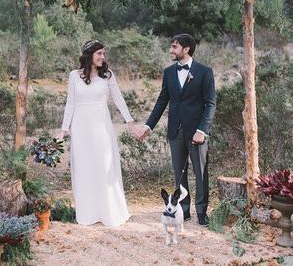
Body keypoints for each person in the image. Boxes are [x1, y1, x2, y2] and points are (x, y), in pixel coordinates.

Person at [137, 33, 216, 226]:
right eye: (171, 47)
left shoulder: (204, 72)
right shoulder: (169, 72)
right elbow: (162, 101)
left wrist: (202, 130)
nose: (171, 50)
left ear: (186, 49)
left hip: (197, 132)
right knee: (179, 173)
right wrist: (149, 126)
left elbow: (210, 103)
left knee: (201, 172)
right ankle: (184, 210)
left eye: (174, 47)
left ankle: (202, 211)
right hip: (175, 131)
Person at [57, 40, 134, 227]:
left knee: (103, 163)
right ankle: (88, 213)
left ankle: (109, 211)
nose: (102, 57)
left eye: (104, 54)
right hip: (80, 128)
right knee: (85, 167)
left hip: (101, 127)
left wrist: (130, 122)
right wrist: (63, 129)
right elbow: (71, 103)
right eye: (99, 53)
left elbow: (118, 99)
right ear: (89, 55)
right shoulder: (74, 76)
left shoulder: (107, 75)